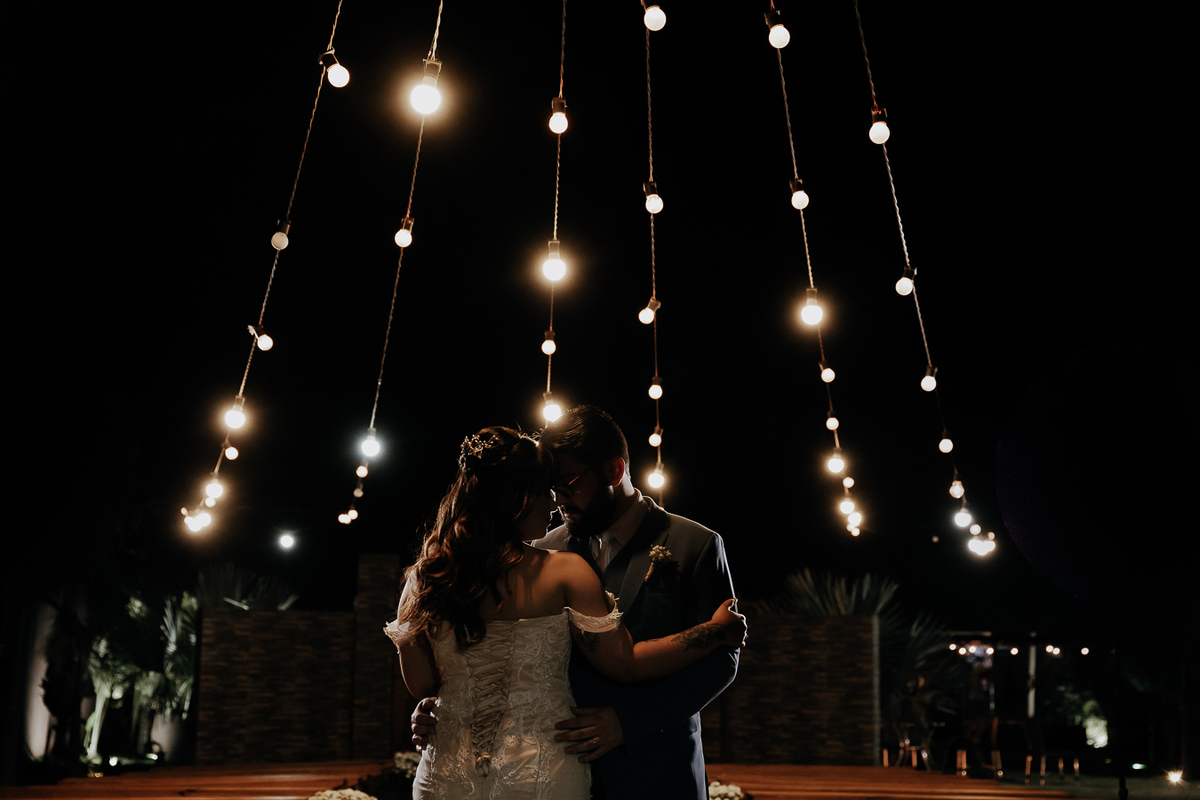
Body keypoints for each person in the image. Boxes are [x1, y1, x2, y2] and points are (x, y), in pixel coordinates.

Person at [387, 426, 745, 800]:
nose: (555, 501)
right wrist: (716, 630)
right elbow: (626, 662)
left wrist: (448, 701)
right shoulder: (558, 561)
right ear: (517, 499)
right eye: (548, 490)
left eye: (565, 484)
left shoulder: (425, 577)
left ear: (614, 470)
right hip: (543, 768)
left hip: (645, 769)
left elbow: (423, 682)